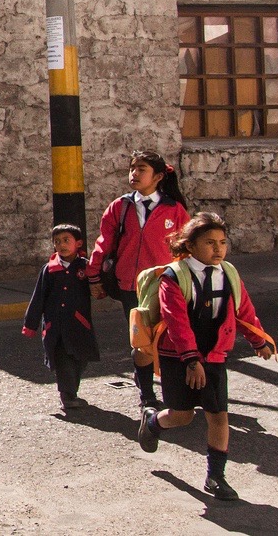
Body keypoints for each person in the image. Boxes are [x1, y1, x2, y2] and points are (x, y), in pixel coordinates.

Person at [137, 212, 274, 501]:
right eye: (210, 243)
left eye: (222, 243)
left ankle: (215, 476)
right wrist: (190, 360)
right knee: (182, 416)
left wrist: (258, 340)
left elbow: (243, 311)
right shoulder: (174, 276)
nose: (218, 249)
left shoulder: (229, 273)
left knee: (218, 416)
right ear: (190, 244)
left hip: (214, 355)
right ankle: (152, 423)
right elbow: (176, 322)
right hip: (178, 356)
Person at [87, 150, 190, 409]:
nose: (134, 174)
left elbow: (187, 248)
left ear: (157, 176)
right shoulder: (120, 207)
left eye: (141, 169)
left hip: (166, 285)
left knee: (168, 339)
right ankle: (147, 394)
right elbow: (104, 242)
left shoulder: (174, 209)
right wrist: (93, 275)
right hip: (130, 286)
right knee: (141, 342)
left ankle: (174, 392)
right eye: (132, 168)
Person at [23, 224, 100, 410]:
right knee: (63, 358)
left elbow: (97, 288)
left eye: (66, 240)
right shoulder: (49, 270)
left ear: (78, 243)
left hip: (79, 324)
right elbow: (38, 297)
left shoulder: (86, 267)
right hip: (55, 326)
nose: (61, 245)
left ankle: (71, 391)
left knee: (80, 358)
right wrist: (30, 324)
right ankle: (67, 396)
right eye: (57, 241)